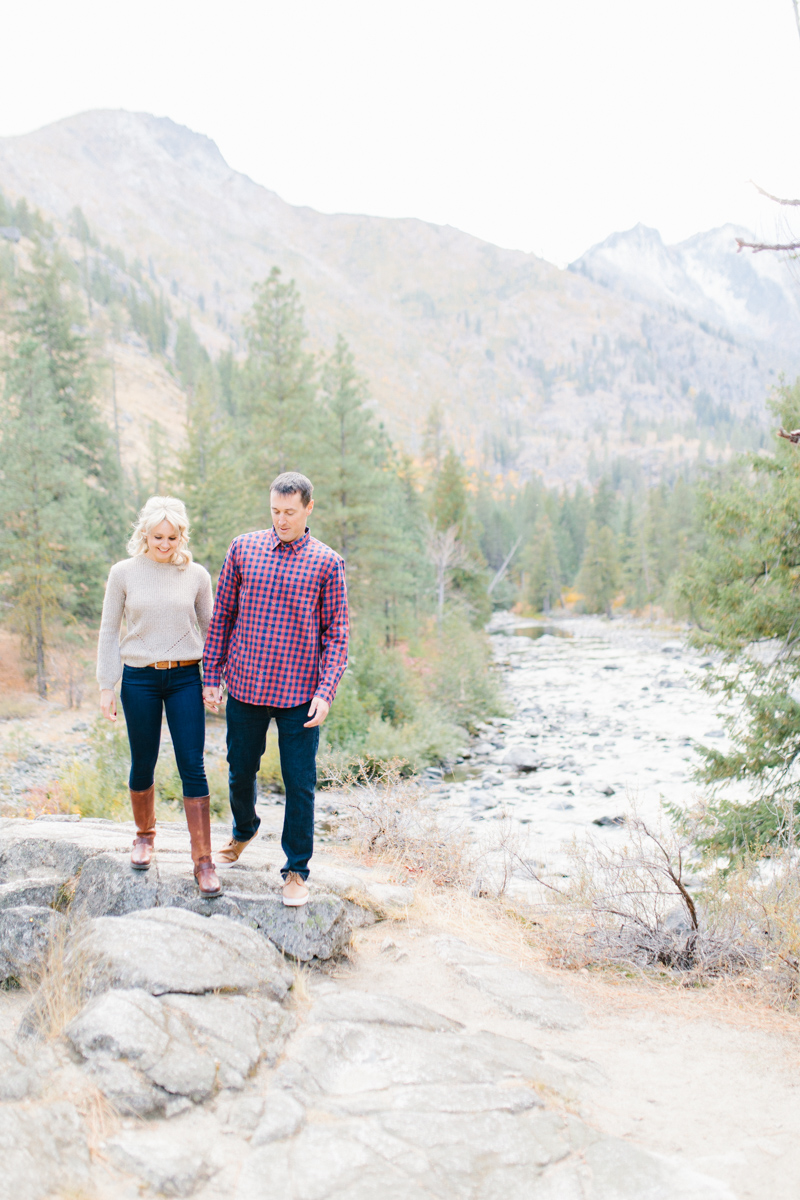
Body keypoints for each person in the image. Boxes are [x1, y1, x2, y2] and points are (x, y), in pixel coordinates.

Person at [202, 471, 349, 907]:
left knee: (299, 782)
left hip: (300, 694)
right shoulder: (243, 548)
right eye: (275, 512)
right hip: (245, 684)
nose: (281, 520)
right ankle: (244, 828)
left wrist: (326, 691)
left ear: (308, 508)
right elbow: (222, 616)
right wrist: (212, 677)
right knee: (239, 769)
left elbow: (336, 634)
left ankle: (296, 870)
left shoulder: (327, 562)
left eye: (289, 512)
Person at [97, 495, 221, 897]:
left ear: (181, 536)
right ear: (144, 534)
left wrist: (214, 681)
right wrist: (106, 685)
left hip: (186, 678)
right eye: (157, 537)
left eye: (171, 537)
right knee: (143, 760)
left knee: (193, 765)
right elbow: (108, 632)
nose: (164, 544)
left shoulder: (197, 575)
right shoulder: (123, 573)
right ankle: (144, 836)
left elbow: (213, 631)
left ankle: (203, 861)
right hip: (139, 680)